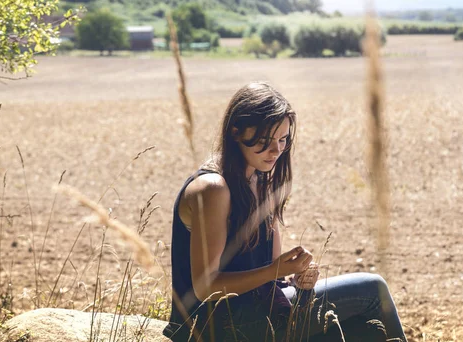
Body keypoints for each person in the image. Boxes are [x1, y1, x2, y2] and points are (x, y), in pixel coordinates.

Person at [162, 82, 407, 342]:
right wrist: (274, 272)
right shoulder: (213, 189)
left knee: (365, 328)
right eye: (267, 140)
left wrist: (299, 280)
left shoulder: (261, 180)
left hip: (255, 314)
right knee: (372, 289)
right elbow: (204, 287)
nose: (277, 150)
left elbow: (270, 274)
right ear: (236, 131)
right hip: (215, 327)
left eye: (283, 139)